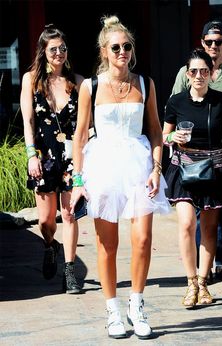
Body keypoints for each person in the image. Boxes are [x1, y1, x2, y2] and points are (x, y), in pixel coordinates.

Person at [71, 15, 170, 339]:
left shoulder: (146, 84)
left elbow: (155, 132)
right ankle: (113, 310)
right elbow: (81, 135)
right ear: (104, 51)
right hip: (103, 165)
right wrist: (78, 182)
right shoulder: (90, 86)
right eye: (116, 47)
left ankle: (136, 304)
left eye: (127, 46)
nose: (122, 52)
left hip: (140, 165)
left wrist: (156, 169)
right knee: (107, 244)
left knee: (142, 239)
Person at [163, 48, 222, 308]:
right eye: (193, 71)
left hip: (214, 169)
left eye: (204, 71)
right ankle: (191, 281)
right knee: (185, 225)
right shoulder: (176, 102)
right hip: (183, 168)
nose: (198, 76)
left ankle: (204, 283)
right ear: (187, 73)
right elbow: (163, 136)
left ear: (212, 73)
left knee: (208, 228)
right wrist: (173, 138)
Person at [20, 24, 84, 294]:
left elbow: (85, 126)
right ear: (43, 51)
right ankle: (50, 245)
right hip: (44, 158)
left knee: (69, 215)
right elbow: (28, 122)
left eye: (63, 48)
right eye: (53, 49)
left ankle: (69, 273)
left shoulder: (78, 82)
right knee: (47, 221)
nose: (59, 53)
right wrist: (31, 155)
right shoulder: (31, 80)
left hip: (71, 158)